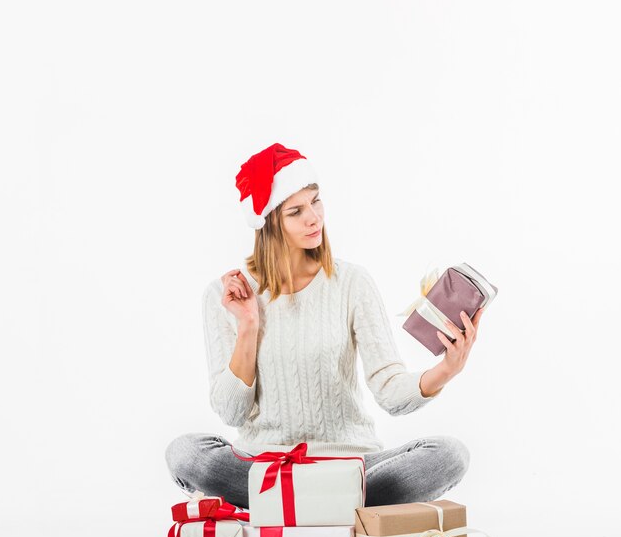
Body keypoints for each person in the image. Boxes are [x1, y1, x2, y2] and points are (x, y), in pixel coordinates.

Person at [165, 142, 484, 509]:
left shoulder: (352, 283)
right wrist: (249, 325)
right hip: (268, 467)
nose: (314, 218)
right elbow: (231, 412)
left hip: (351, 466)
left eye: (316, 201)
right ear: (269, 223)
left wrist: (446, 369)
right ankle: (331, 506)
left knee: (450, 454)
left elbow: (389, 391)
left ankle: (295, 505)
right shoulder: (226, 296)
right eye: (296, 211)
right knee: (185, 452)